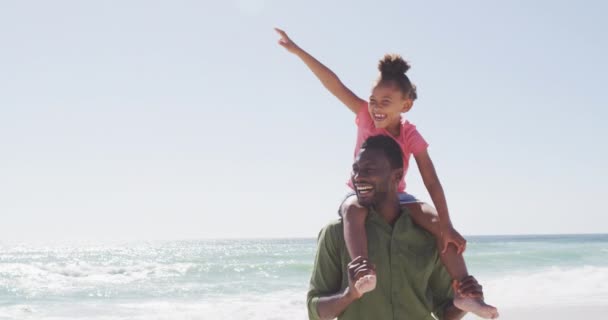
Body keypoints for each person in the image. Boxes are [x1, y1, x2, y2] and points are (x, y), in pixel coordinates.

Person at [276, 28, 498, 318]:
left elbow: (431, 179)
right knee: (354, 210)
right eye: (373, 100)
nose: (376, 108)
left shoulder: (410, 135)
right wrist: (297, 50)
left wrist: (447, 224)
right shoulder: (365, 116)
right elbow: (333, 83)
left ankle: (468, 295)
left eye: (385, 102)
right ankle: (362, 273)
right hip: (358, 194)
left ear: (405, 105)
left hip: (399, 195)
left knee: (436, 223)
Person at [307, 135, 491, 320]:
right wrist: (350, 294)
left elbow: (446, 312)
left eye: (369, 169)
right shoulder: (336, 233)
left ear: (397, 176)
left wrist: (462, 302)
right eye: (356, 170)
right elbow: (316, 312)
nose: (358, 177)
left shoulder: (429, 234)